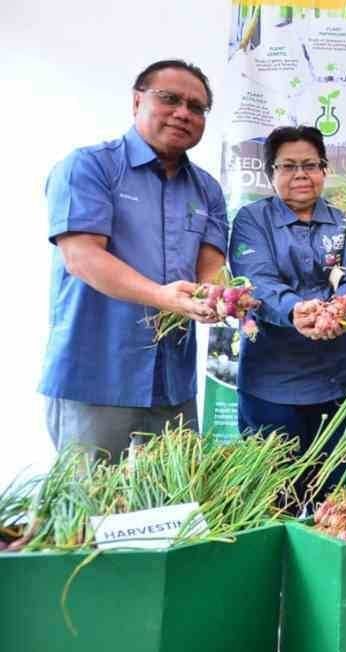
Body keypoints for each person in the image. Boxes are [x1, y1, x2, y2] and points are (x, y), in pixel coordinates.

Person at [41, 59, 228, 462]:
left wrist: (221, 295)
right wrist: (161, 296)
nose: (183, 112)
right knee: (88, 508)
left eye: (196, 108)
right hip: (95, 375)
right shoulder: (90, 166)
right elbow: (82, 256)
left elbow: (211, 267)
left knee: (173, 508)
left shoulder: (208, 189)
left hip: (172, 382)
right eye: (170, 99)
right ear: (137, 100)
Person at [228, 125, 346, 511]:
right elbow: (254, 280)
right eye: (288, 166)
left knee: (331, 499)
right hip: (272, 383)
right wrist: (297, 310)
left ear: (324, 169)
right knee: (275, 498)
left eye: (311, 164)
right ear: (270, 173)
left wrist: (340, 307)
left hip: (341, 380)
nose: (301, 175)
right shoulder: (251, 220)